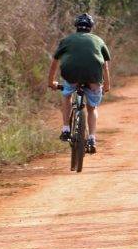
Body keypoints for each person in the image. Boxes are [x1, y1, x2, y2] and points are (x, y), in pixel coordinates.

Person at [47, 13, 111, 154]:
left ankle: (66, 129)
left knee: (67, 96)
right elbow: (104, 65)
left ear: (76, 27)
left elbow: (55, 63)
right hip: (93, 77)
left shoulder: (67, 40)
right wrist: (107, 84)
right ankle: (92, 138)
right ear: (91, 27)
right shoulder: (98, 40)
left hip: (71, 76)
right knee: (92, 108)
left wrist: (51, 82)